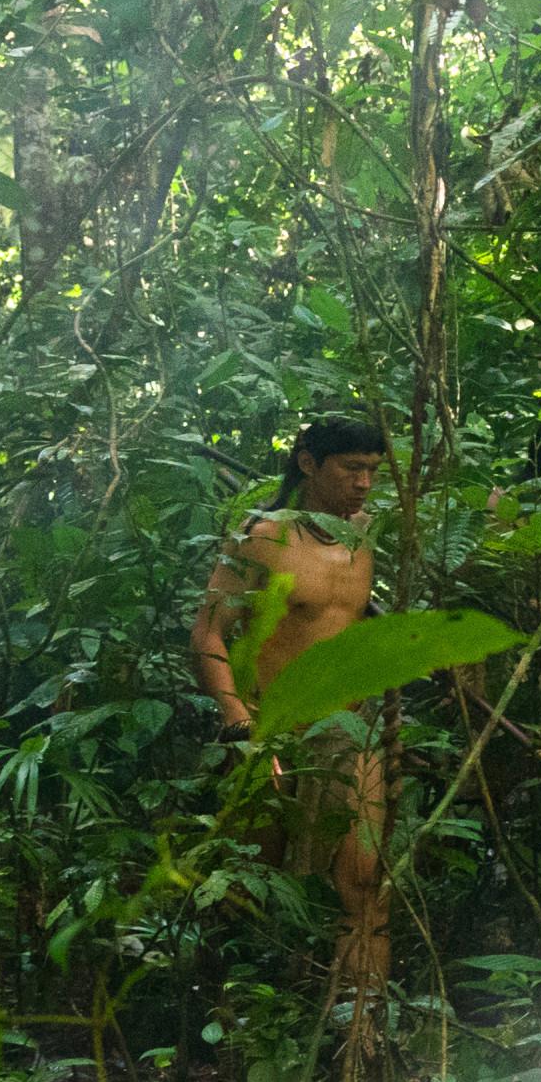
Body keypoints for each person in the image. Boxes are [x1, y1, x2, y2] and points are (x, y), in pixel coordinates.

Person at [193, 415, 398, 1043]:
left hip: (349, 731)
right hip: (271, 731)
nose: (364, 484)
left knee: (365, 877)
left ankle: (361, 1040)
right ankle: (224, 1028)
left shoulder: (368, 537)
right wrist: (238, 723)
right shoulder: (262, 536)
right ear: (308, 464)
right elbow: (207, 636)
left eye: (372, 471)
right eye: (350, 469)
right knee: (251, 884)